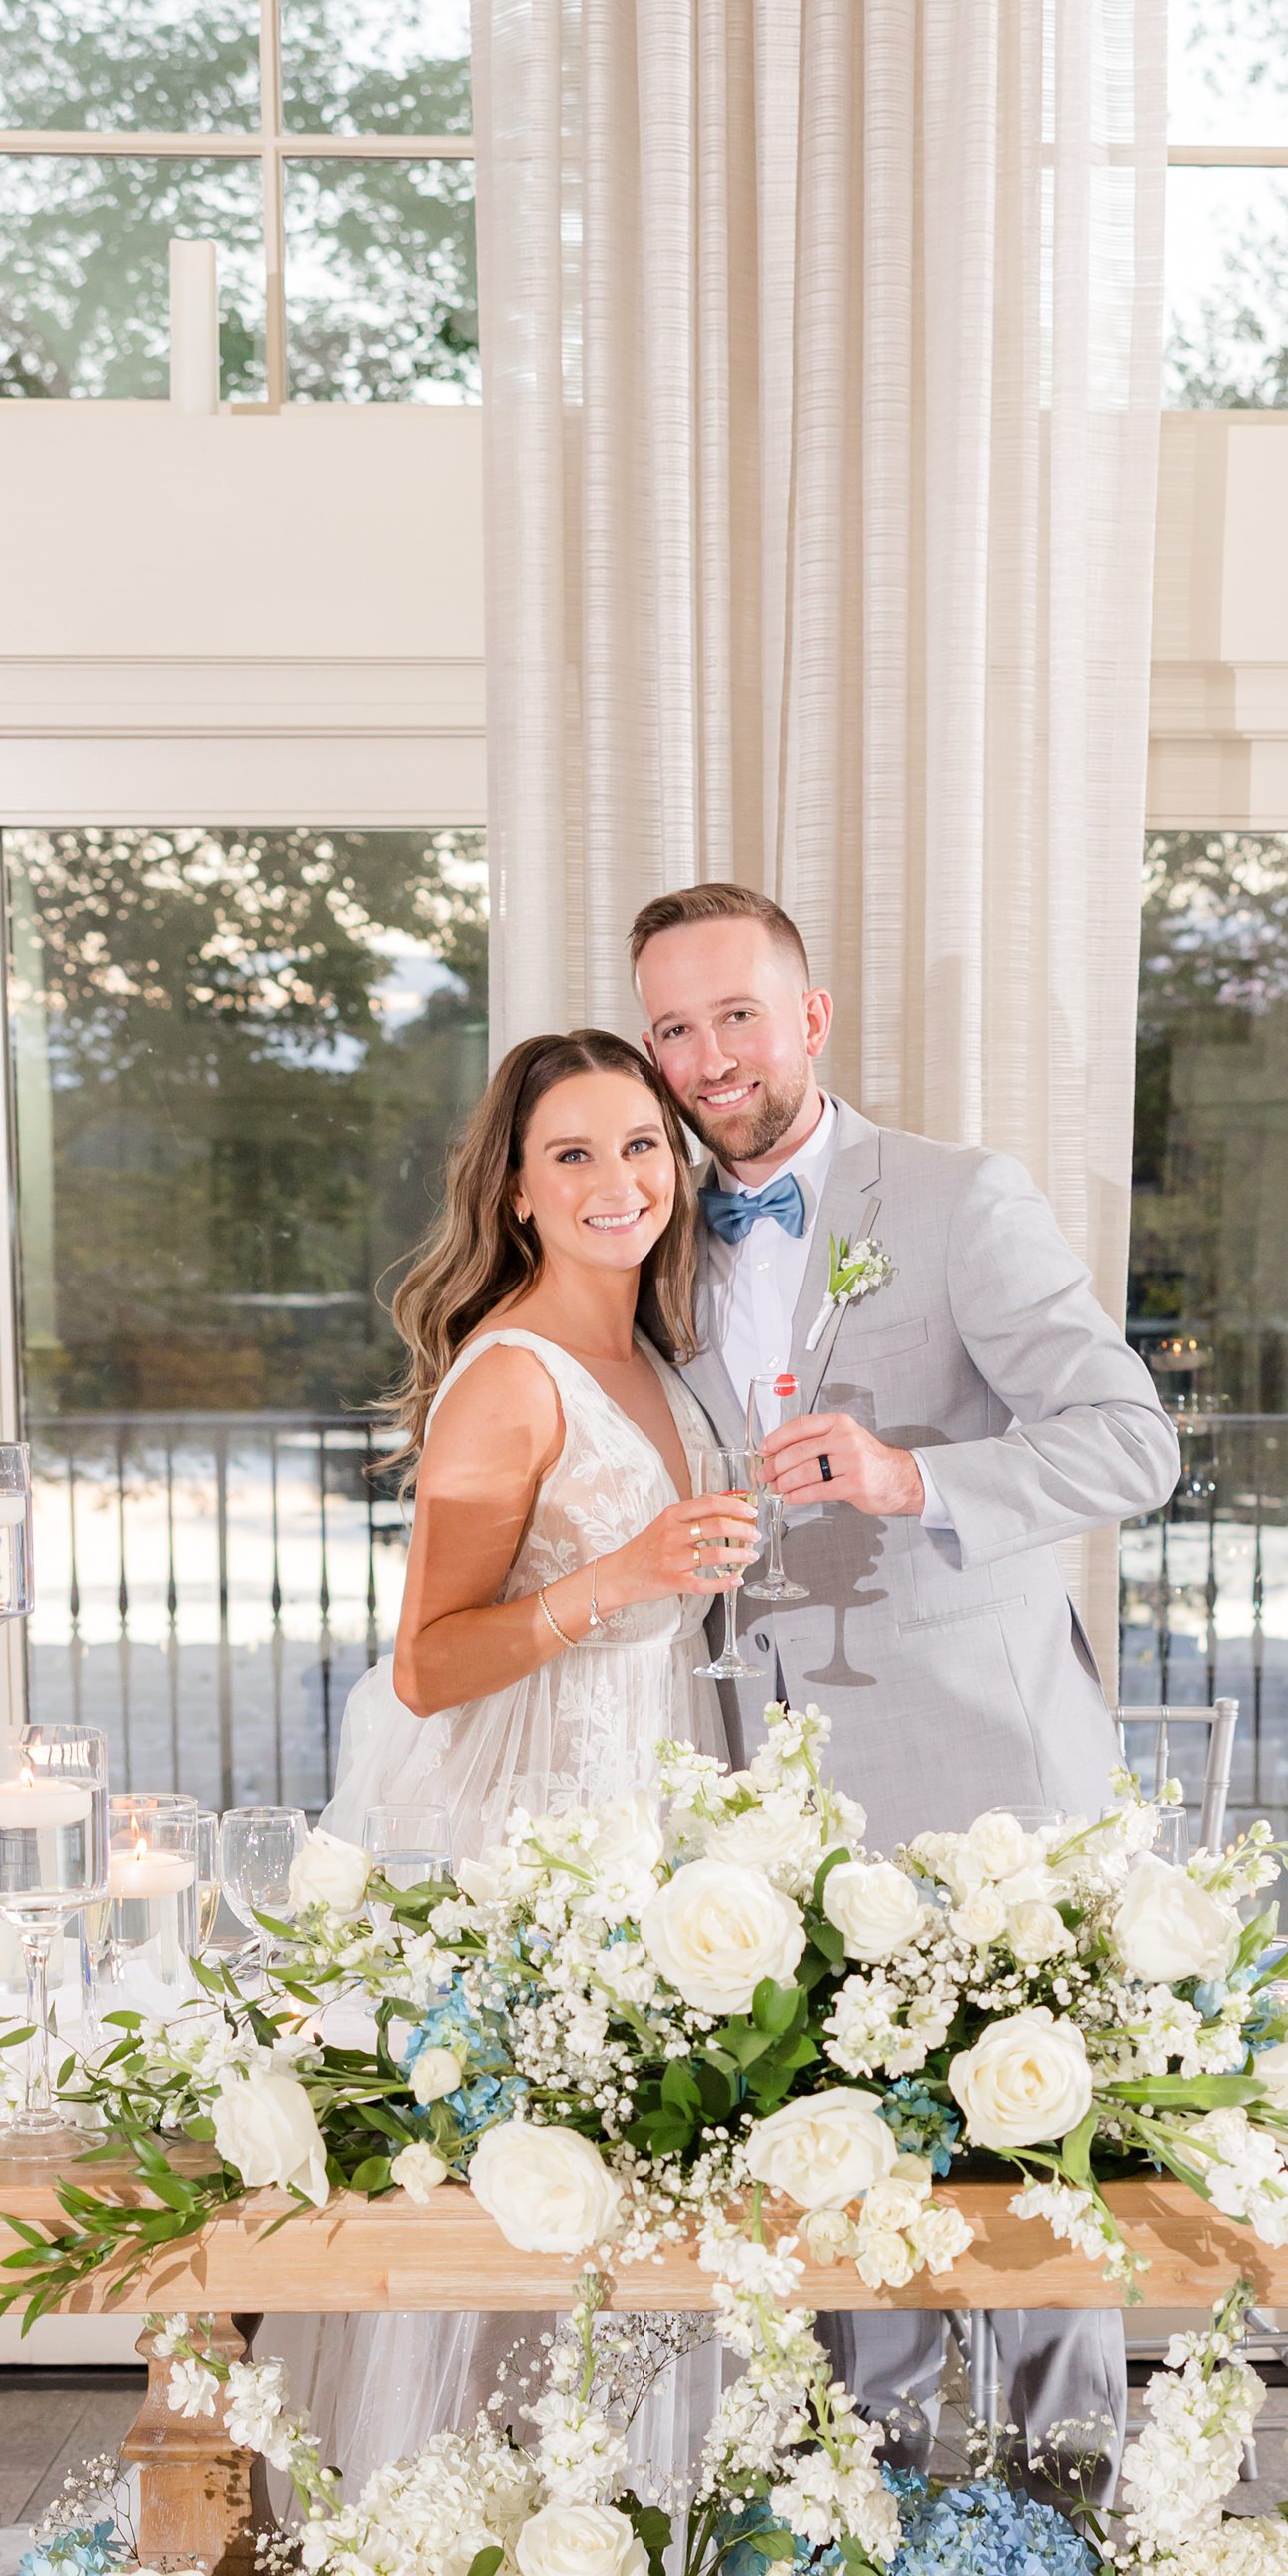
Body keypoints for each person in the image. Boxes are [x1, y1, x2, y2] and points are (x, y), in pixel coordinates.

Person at [634, 878, 1180, 2484]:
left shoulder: (956, 1198)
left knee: (1033, 2230)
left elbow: (1131, 1444)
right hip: (767, 1802)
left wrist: (910, 1478)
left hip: (989, 1786)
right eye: (676, 1027)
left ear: (808, 1018)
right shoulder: (645, 1216)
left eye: (738, 1014)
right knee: (832, 2236)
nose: (710, 1055)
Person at [257, 1029, 757, 2489]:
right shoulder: (513, 1376)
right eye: (575, 1153)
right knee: (518, 2218)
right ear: (520, 1191)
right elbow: (426, 1662)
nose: (620, 1180)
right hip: (531, 1823)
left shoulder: (657, 1355)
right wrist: (623, 1577)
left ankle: (631, 2557)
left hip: (653, 1792)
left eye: (644, 1146)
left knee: (636, 2226)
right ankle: (453, 2571)